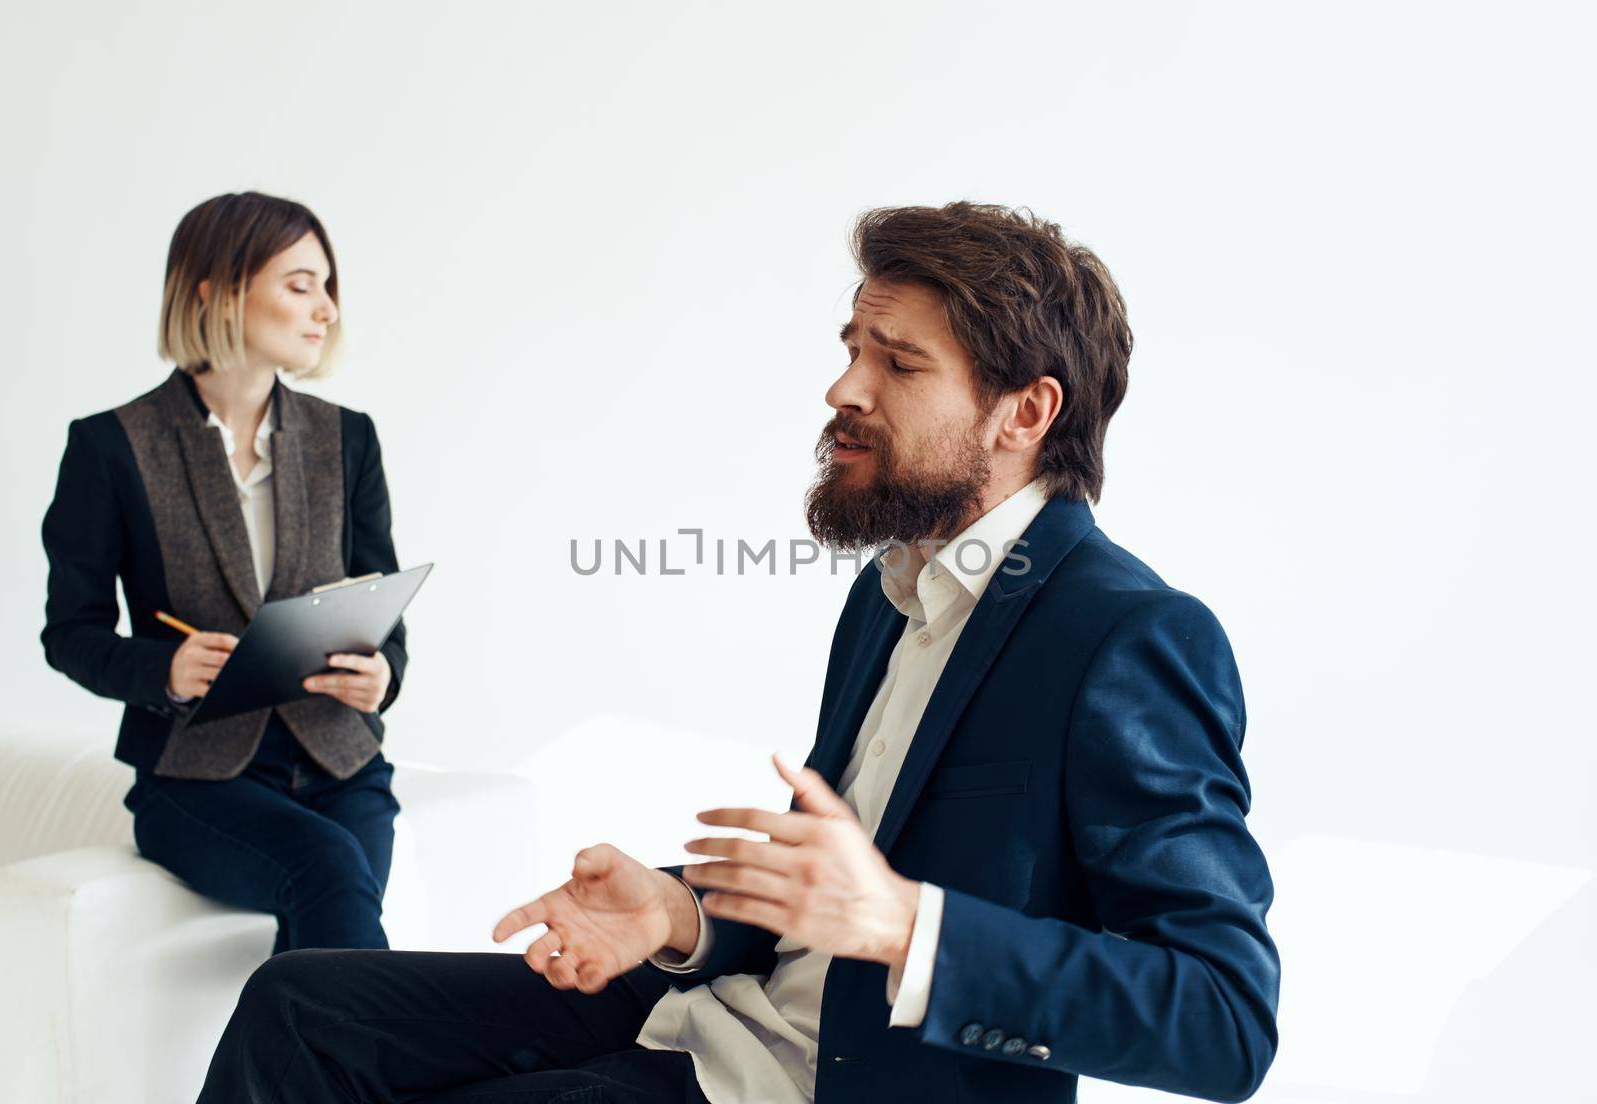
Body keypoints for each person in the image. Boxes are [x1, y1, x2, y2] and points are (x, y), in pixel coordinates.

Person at [198, 201, 1279, 1103]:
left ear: (1024, 412)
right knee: (295, 1004)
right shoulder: (893, 589)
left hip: (825, 1082)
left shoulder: (1127, 636)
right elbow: (821, 893)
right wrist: (681, 916)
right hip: (705, 1004)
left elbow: (1223, 1019)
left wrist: (906, 924)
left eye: (897, 363)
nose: (843, 390)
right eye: (852, 349)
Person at [40, 191, 409, 954]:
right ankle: (372, 1077)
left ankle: (292, 1078)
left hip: (341, 761)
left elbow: (384, 611)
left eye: (328, 286)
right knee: (330, 872)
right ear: (217, 290)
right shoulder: (111, 447)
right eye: (301, 284)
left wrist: (383, 677)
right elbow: (69, 632)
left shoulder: (347, 439)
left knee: (330, 930)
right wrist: (164, 670)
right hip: (197, 777)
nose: (328, 309)